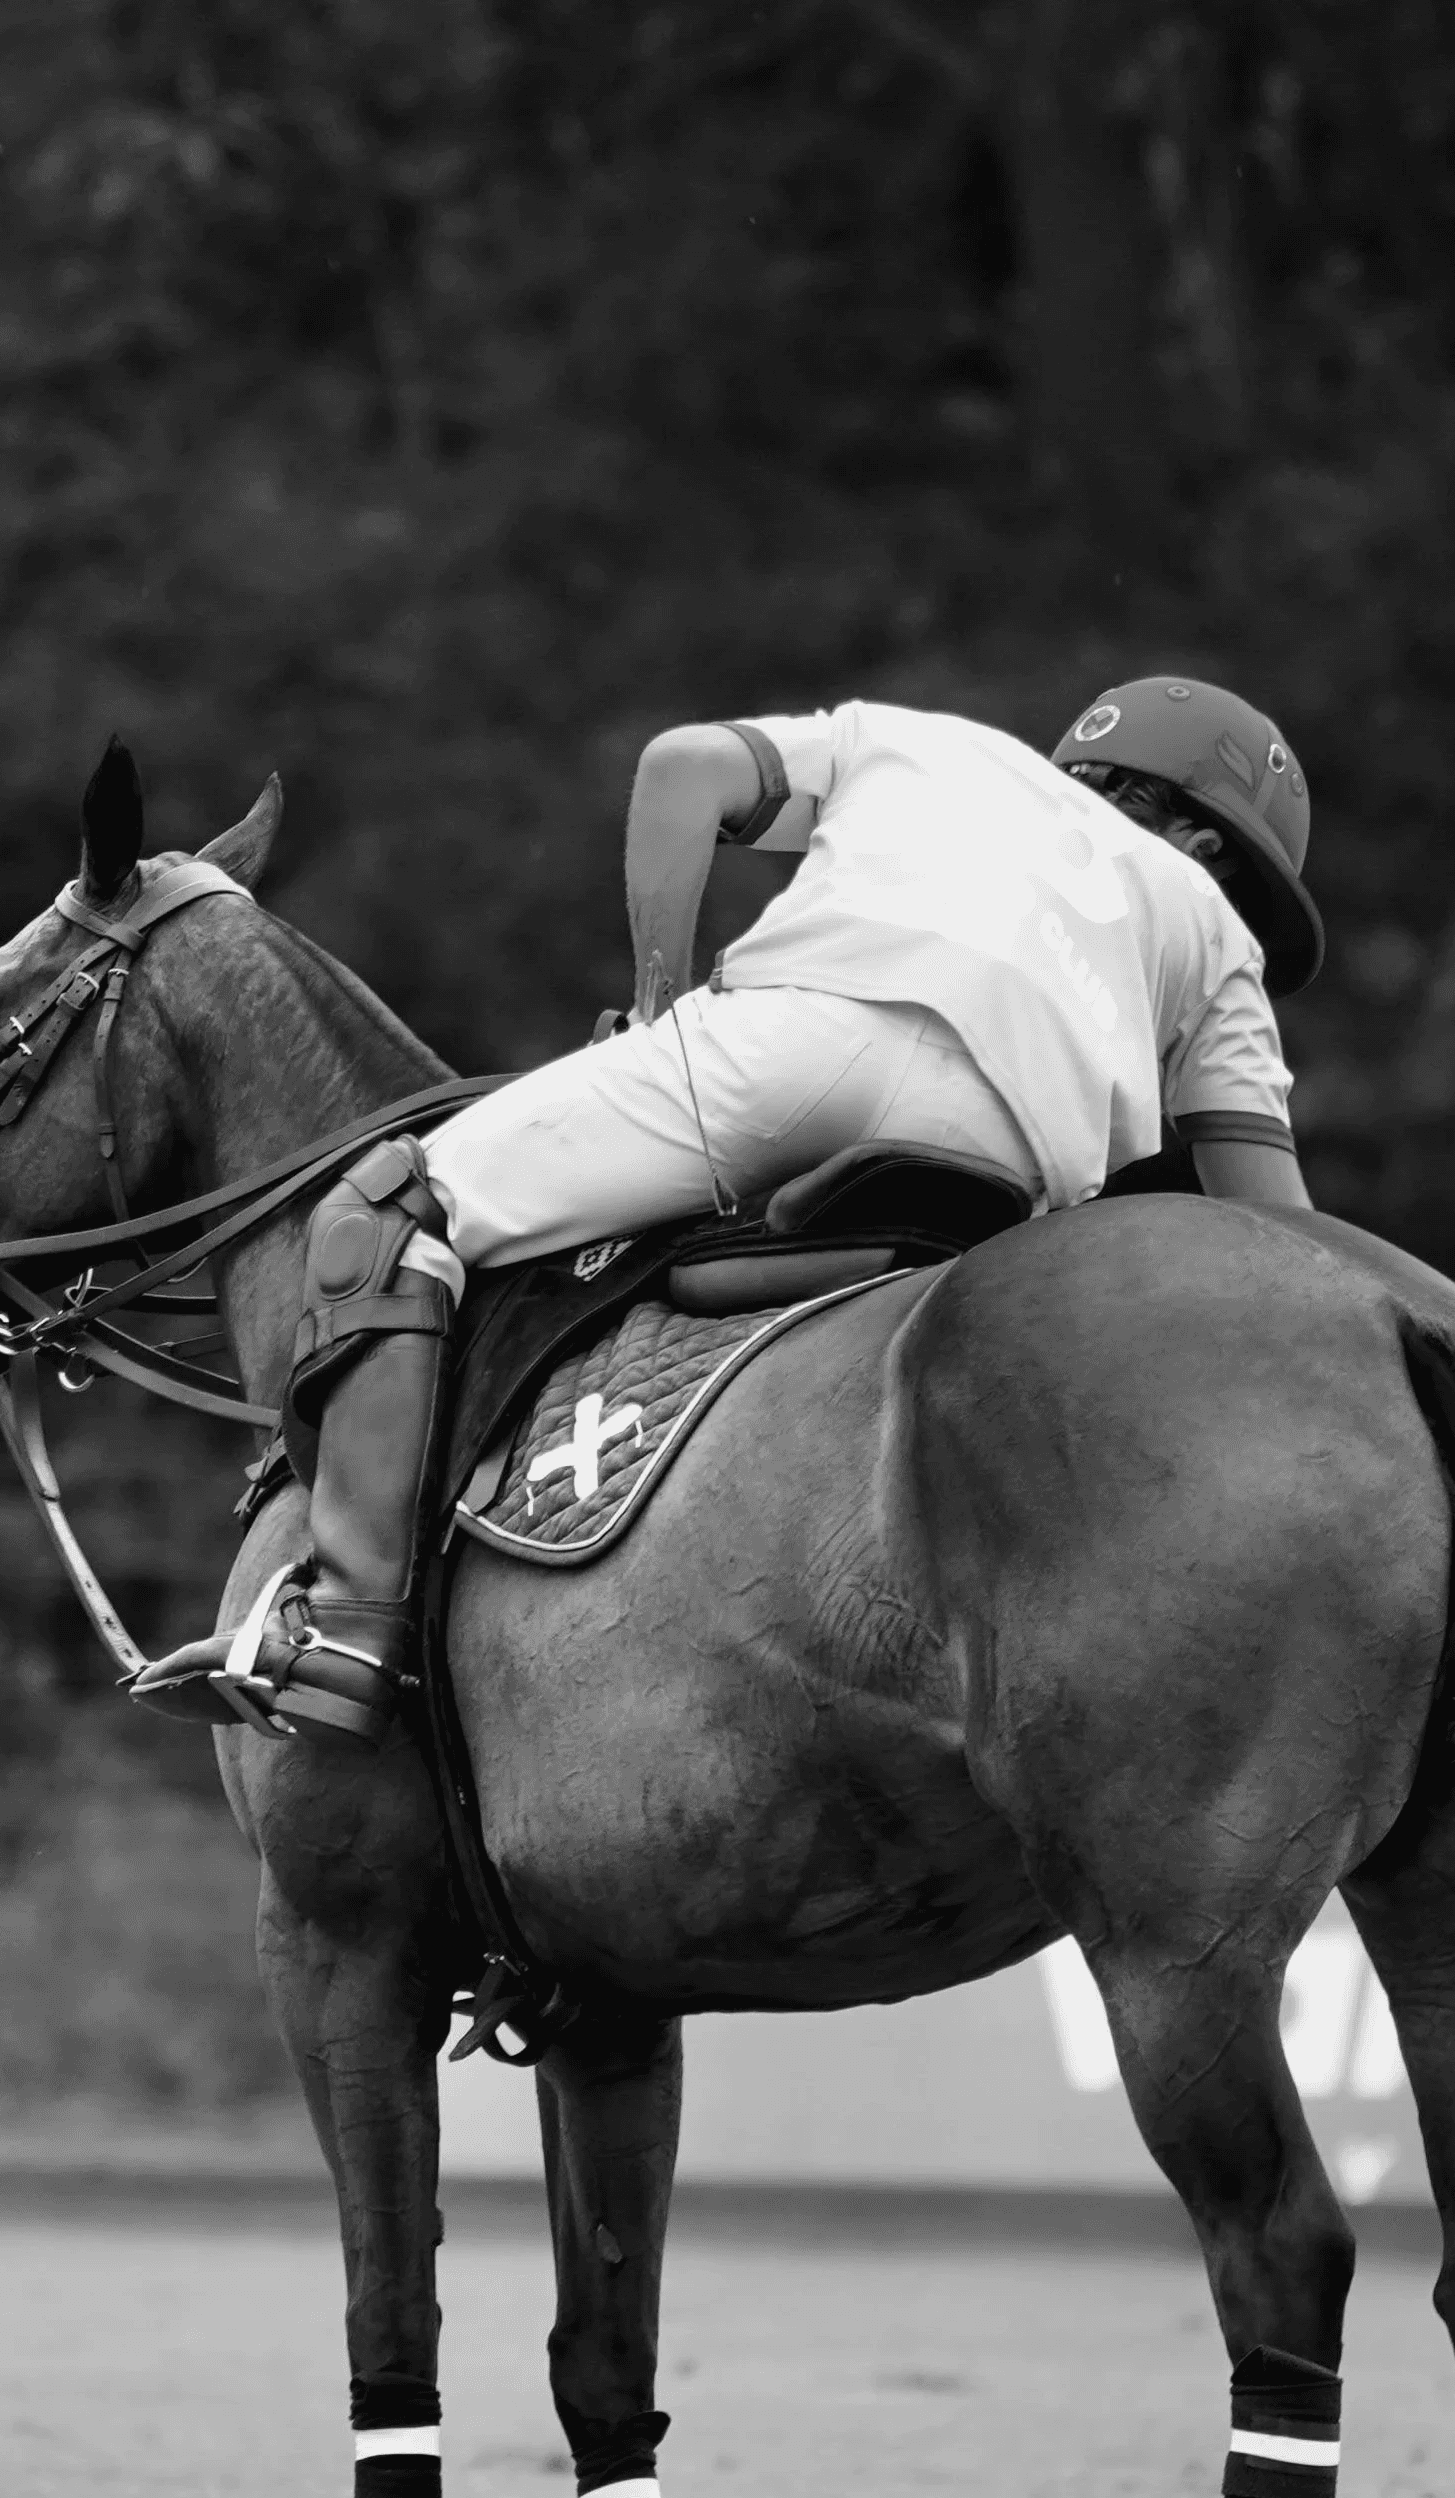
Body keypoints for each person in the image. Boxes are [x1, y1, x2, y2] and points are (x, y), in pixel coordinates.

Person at [136, 675, 1327, 1745]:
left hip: (798, 1054)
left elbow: (683, 768)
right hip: (1015, 1160)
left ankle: (345, 1630)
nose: (1234, 902)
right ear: (1195, 837)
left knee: (385, 1208)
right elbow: (1287, 1241)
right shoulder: (1215, 934)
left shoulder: (933, 744)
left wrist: (656, 1001)